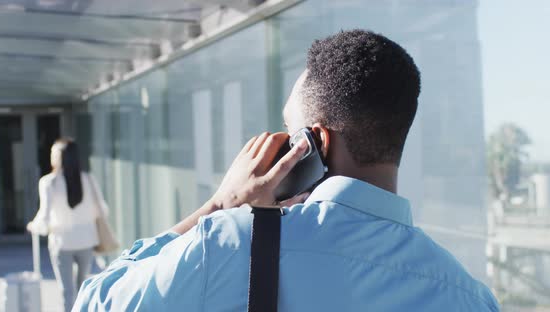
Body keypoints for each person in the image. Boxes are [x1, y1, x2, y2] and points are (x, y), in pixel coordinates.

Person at [73, 30, 499, 311]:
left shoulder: (233, 245)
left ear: (315, 144)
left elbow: (95, 302)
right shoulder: (470, 296)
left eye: (288, 133)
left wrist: (221, 204)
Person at [28, 138, 108, 312]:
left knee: (67, 292)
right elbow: (102, 210)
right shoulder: (88, 179)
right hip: (86, 240)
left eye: (52, 153)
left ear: (58, 157)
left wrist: (34, 226)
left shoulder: (49, 182)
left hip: (61, 242)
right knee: (84, 289)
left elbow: (45, 216)